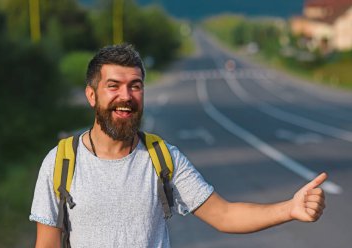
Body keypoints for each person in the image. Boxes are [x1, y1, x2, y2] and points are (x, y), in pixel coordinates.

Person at [29, 44, 326, 248]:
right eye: (114, 86)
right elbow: (47, 243)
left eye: (135, 85)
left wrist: (289, 208)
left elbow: (224, 215)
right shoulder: (61, 162)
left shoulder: (162, 158)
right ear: (92, 96)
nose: (127, 95)